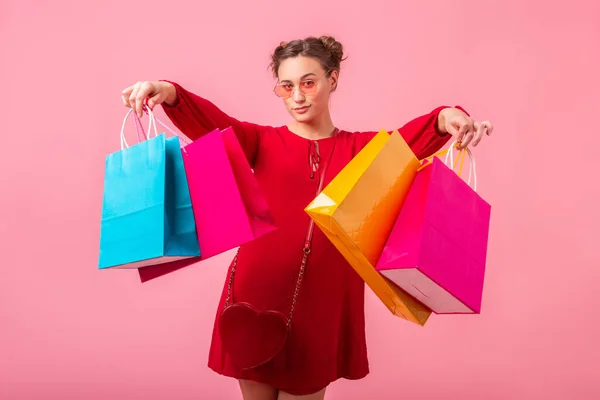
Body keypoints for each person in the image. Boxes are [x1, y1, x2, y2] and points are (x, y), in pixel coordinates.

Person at [121, 35, 493, 400]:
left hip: (321, 302)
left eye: (308, 82)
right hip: (254, 294)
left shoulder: (360, 149)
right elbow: (211, 123)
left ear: (332, 80)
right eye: (286, 86)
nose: (297, 96)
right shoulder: (260, 141)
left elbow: (414, 138)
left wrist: (449, 117)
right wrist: (167, 91)